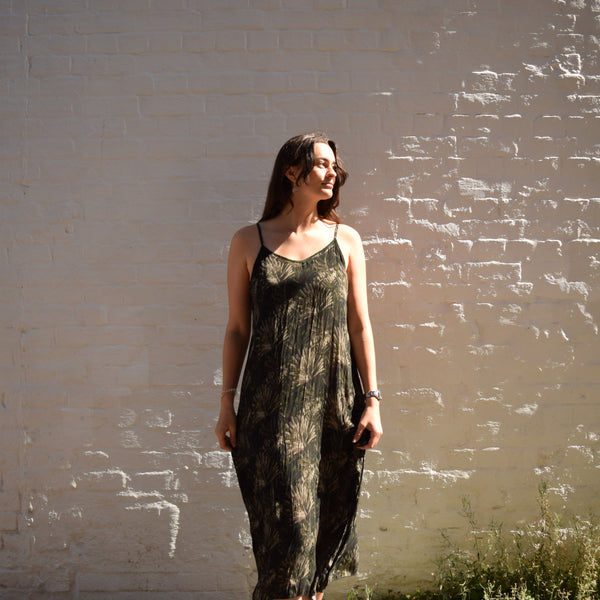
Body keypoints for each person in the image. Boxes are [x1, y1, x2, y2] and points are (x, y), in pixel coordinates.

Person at [215, 133, 383, 600]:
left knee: (320, 534)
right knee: (288, 535)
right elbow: (237, 329)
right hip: (273, 411)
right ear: (292, 172)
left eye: (335, 166)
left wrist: (372, 400)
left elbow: (360, 326)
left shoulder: (346, 239)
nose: (334, 173)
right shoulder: (249, 240)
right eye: (323, 164)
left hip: (333, 406)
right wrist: (227, 402)